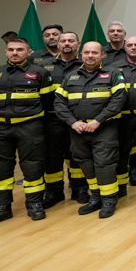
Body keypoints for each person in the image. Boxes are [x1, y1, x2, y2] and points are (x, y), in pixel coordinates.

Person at [0, 37, 54, 227]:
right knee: (0, 168)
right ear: (6, 52)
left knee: (32, 167)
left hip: (29, 127)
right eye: (11, 49)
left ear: (29, 53)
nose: (14, 53)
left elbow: (47, 101)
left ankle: (34, 203)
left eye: (19, 49)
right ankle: (1, 208)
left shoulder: (40, 73)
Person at [54, 41, 126, 218]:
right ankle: (95, 197)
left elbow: (118, 101)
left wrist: (98, 120)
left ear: (102, 55)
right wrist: (72, 122)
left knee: (104, 164)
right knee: (85, 163)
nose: (90, 56)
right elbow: (59, 102)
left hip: (104, 128)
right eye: (86, 52)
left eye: (95, 52)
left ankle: (109, 199)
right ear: (81, 55)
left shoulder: (113, 74)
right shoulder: (71, 77)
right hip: (78, 130)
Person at [33, 31, 85, 206]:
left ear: (78, 44)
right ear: (58, 44)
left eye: (71, 40)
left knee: (77, 155)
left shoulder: (87, 65)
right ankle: (54, 192)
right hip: (51, 119)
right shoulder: (43, 67)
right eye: (63, 41)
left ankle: (79, 190)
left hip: (78, 120)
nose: (66, 43)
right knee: (52, 157)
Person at [110, 36, 136, 189]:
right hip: (122, 117)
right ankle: (121, 186)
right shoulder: (113, 68)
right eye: (130, 45)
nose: (133, 47)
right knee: (121, 151)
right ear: (125, 48)